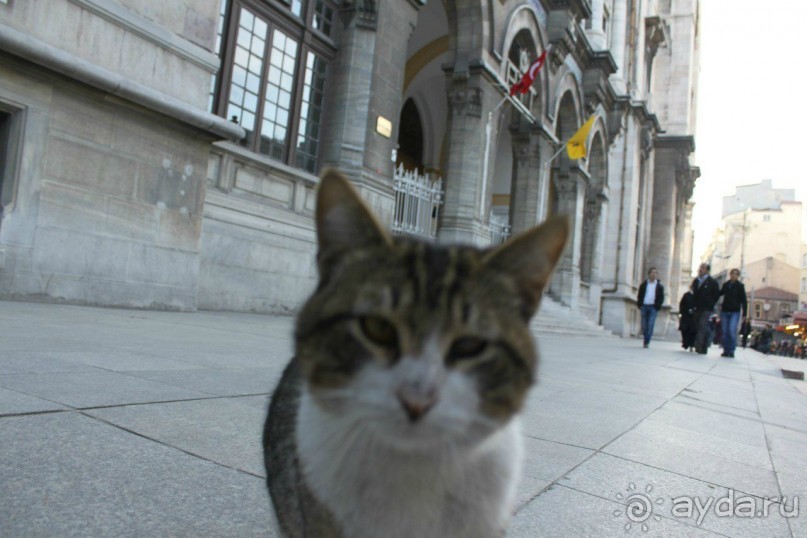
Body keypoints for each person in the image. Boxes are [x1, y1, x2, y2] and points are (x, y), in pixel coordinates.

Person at [691, 263, 720, 355]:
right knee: (697, 325)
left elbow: (716, 295)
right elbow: (694, 294)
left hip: (706, 308)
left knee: (702, 326)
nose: (701, 269)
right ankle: (701, 344)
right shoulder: (696, 281)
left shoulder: (712, 282)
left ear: (707, 270)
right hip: (697, 307)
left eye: (703, 268)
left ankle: (700, 346)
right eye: (700, 267)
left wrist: (710, 303)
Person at [719, 268, 748, 358]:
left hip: (735, 311)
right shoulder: (726, 285)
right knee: (725, 331)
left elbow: (744, 300)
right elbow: (720, 293)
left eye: (736, 274)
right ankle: (726, 350)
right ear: (730, 275)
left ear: (738, 276)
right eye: (732, 273)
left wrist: (744, 314)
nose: (733, 275)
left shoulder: (740, 286)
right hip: (725, 310)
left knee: (731, 330)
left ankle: (731, 350)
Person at [637, 267, 664, 348]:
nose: (653, 274)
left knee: (650, 324)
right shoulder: (644, 285)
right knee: (644, 325)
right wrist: (640, 305)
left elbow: (661, 297)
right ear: (649, 274)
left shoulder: (659, 286)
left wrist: (657, 306)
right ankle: (646, 338)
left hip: (653, 307)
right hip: (644, 306)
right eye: (652, 272)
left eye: (655, 273)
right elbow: (640, 295)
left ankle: (647, 341)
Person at [678, 285, 697, 351]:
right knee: (684, 329)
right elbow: (682, 304)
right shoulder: (686, 295)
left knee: (693, 331)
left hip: (694, 316)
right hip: (685, 315)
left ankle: (692, 344)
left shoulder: (698, 295)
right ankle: (685, 343)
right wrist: (682, 312)